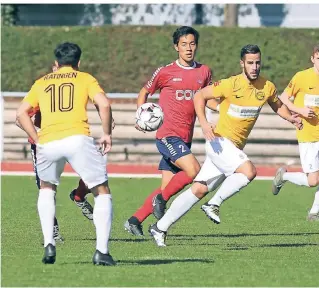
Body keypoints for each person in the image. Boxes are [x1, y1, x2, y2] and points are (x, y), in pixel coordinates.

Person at [148, 44, 302, 247]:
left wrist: (291, 118)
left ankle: (159, 227)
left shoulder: (267, 87)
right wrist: (203, 123)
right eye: (250, 63)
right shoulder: (230, 84)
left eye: (257, 62)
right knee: (248, 171)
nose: (254, 67)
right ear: (242, 64)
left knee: (199, 189)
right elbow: (199, 96)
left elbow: (277, 105)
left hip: (233, 148)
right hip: (219, 142)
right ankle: (214, 204)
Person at [16, 42, 116, 265]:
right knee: (101, 191)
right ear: (78, 63)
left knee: (47, 188)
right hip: (77, 139)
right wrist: (107, 134)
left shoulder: (41, 82)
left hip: (48, 142)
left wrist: (37, 137)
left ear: (56, 63)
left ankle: (49, 243)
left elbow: (21, 113)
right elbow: (105, 105)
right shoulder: (85, 78)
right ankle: (102, 251)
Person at [124, 26, 219, 237]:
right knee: (194, 171)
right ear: (176, 47)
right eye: (184, 44)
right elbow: (144, 91)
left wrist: (224, 107)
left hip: (185, 138)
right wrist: (141, 114)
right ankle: (160, 203)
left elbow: (208, 99)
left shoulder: (204, 72)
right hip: (167, 135)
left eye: (192, 44)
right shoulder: (165, 72)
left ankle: (134, 220)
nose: (188, 48)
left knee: (167, 188)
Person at [271, 42, 319, 221]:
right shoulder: (301, 77)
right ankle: (284, 176)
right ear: (312, 58)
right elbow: (283, 98)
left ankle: (314, 213)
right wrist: (300, 110)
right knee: (313, 181)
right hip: (307, 135)